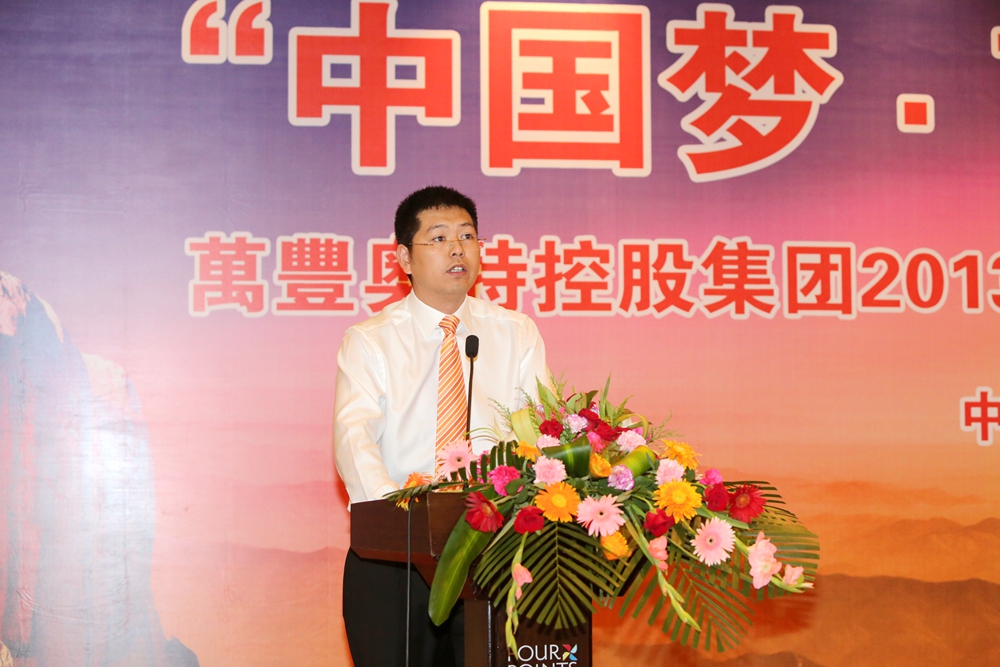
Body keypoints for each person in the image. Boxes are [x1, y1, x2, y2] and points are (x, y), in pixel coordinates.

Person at [334, 186, 549, 667]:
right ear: (404, 259)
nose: (457, 249)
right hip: (394, 556)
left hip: (495, 547)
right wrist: (402, 524)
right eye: (439, 238)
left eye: (467, 236)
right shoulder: (370, 341)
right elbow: (354, 439)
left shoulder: (516, 333)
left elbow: (538, 433)